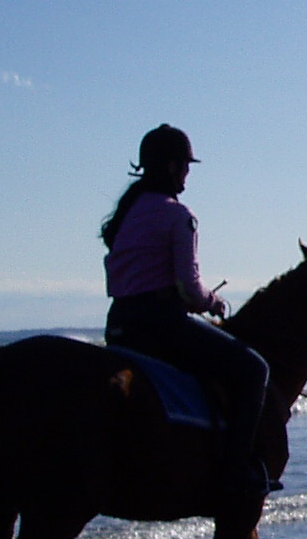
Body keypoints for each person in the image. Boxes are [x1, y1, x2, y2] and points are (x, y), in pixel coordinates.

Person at [101, 124, 272, 499]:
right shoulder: (179, 216)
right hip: (161, 326)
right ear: (172, 166)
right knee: (255, 369)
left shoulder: (126, 215)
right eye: (185, 167)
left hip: (119, 325)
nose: (188, 175)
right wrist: (214, 302)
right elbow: (188, 289)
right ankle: (235, 471)